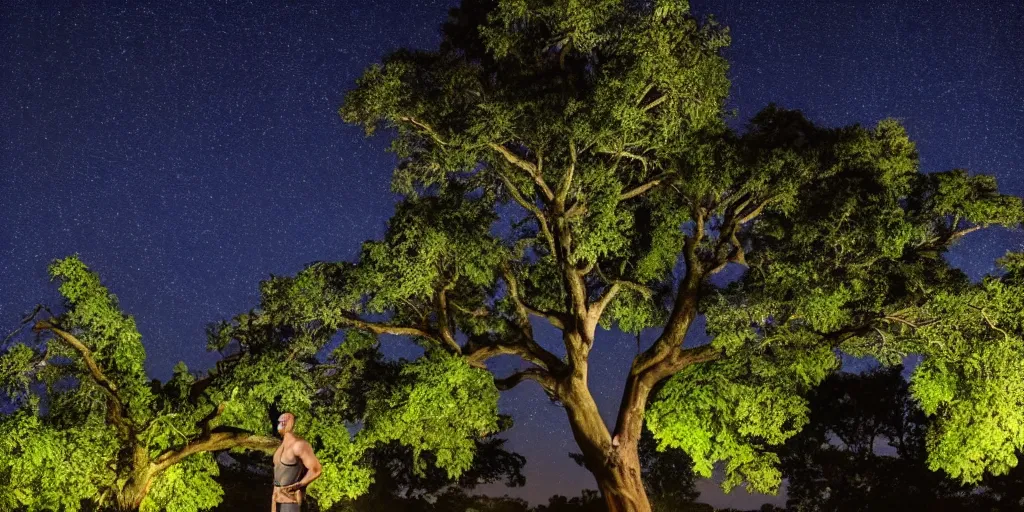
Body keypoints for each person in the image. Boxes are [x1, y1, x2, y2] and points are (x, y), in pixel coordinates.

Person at [271, 412, 323, 512]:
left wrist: (298, 485)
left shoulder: (299, 445)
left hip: (290, 503)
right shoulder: (279, 450)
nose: (282, 423)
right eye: (280, 421)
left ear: (293, 424)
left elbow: (316, 469)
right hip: (276, 501)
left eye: (286, 420)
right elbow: (276, 482)